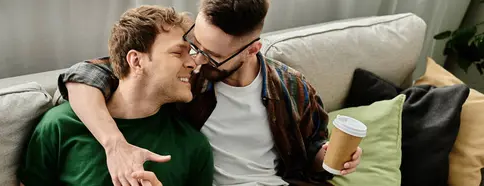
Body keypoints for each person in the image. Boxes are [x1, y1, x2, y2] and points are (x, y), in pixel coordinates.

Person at [59, 0, 363, 186]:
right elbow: (85, 74)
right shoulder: (184, 79)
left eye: (212, 55)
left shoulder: (292, 88)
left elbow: (312, 154)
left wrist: (327, 157)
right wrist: (115, 146)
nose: (197, 59)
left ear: (252, 49)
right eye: (194, 43)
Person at [18, 5, 213, 186]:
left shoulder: (193, 145)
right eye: (178, 53)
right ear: (136, 61)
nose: (193, 63)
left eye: (191, 53)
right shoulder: (60, 125)